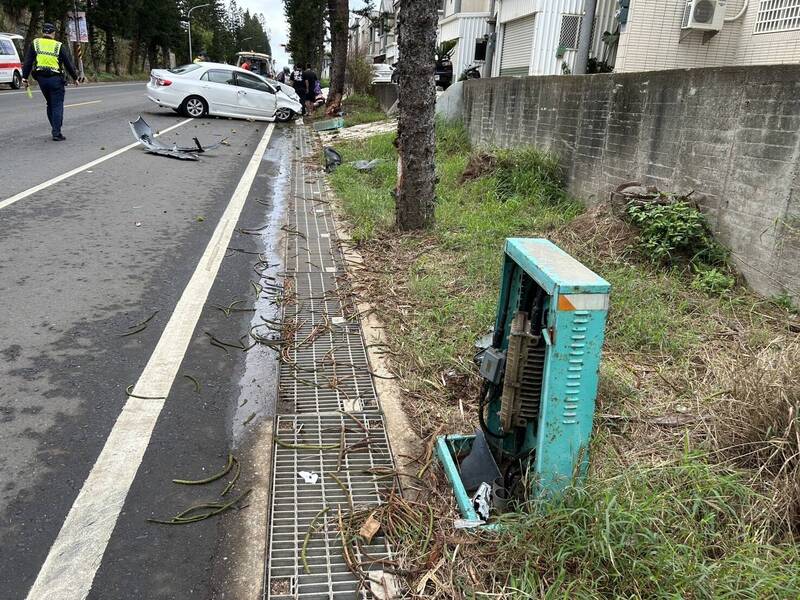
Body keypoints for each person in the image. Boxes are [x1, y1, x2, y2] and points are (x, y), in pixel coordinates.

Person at [21, 23, 80, 141]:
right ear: (53, 33)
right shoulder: (59, 46)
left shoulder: (35, 43)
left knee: (50, 104)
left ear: (43, 32)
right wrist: (75, 77)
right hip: (56, 79)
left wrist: (24, 77)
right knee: (57, 105)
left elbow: (28, 62)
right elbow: (68, 64)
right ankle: (56, 133)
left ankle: (55, 127)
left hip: (42, 79)